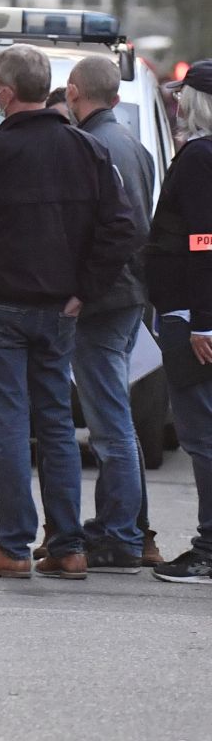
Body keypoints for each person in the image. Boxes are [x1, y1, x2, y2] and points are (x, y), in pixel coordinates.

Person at [0, 44, 138, 580]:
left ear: (1, 93)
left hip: (1, 306)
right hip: (59, 309)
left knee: (8, 426)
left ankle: (15, 548)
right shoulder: (86, 149)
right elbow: (122, 228)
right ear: (48, 89)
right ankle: (67, 546)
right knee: (58, 426)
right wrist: (85, 290)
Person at [40, 55, 156, 573]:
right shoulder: (132, 143)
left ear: (73, 92)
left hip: (105, 299)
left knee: (110, 425)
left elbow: (118, 229)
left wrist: (85, 289)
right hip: (128, 295)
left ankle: (122, 535)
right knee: (117, 418)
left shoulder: (93, 146)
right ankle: (123, 526)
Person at [144, 60, 212, 583]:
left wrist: (201, 321)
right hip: (197, 311)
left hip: (192, 314)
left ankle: (208, 547)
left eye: (182, 97)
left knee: (201, 436)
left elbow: (203, 240)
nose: (176, 106)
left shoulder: (198, 158)